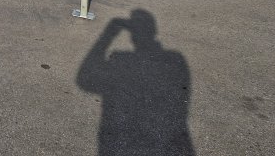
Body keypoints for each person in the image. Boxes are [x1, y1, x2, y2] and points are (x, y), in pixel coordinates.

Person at [76, 9, 195, 156]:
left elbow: (84, 81)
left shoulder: (122, 58)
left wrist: (108, 34)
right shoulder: (176, 59)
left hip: (118, 138)